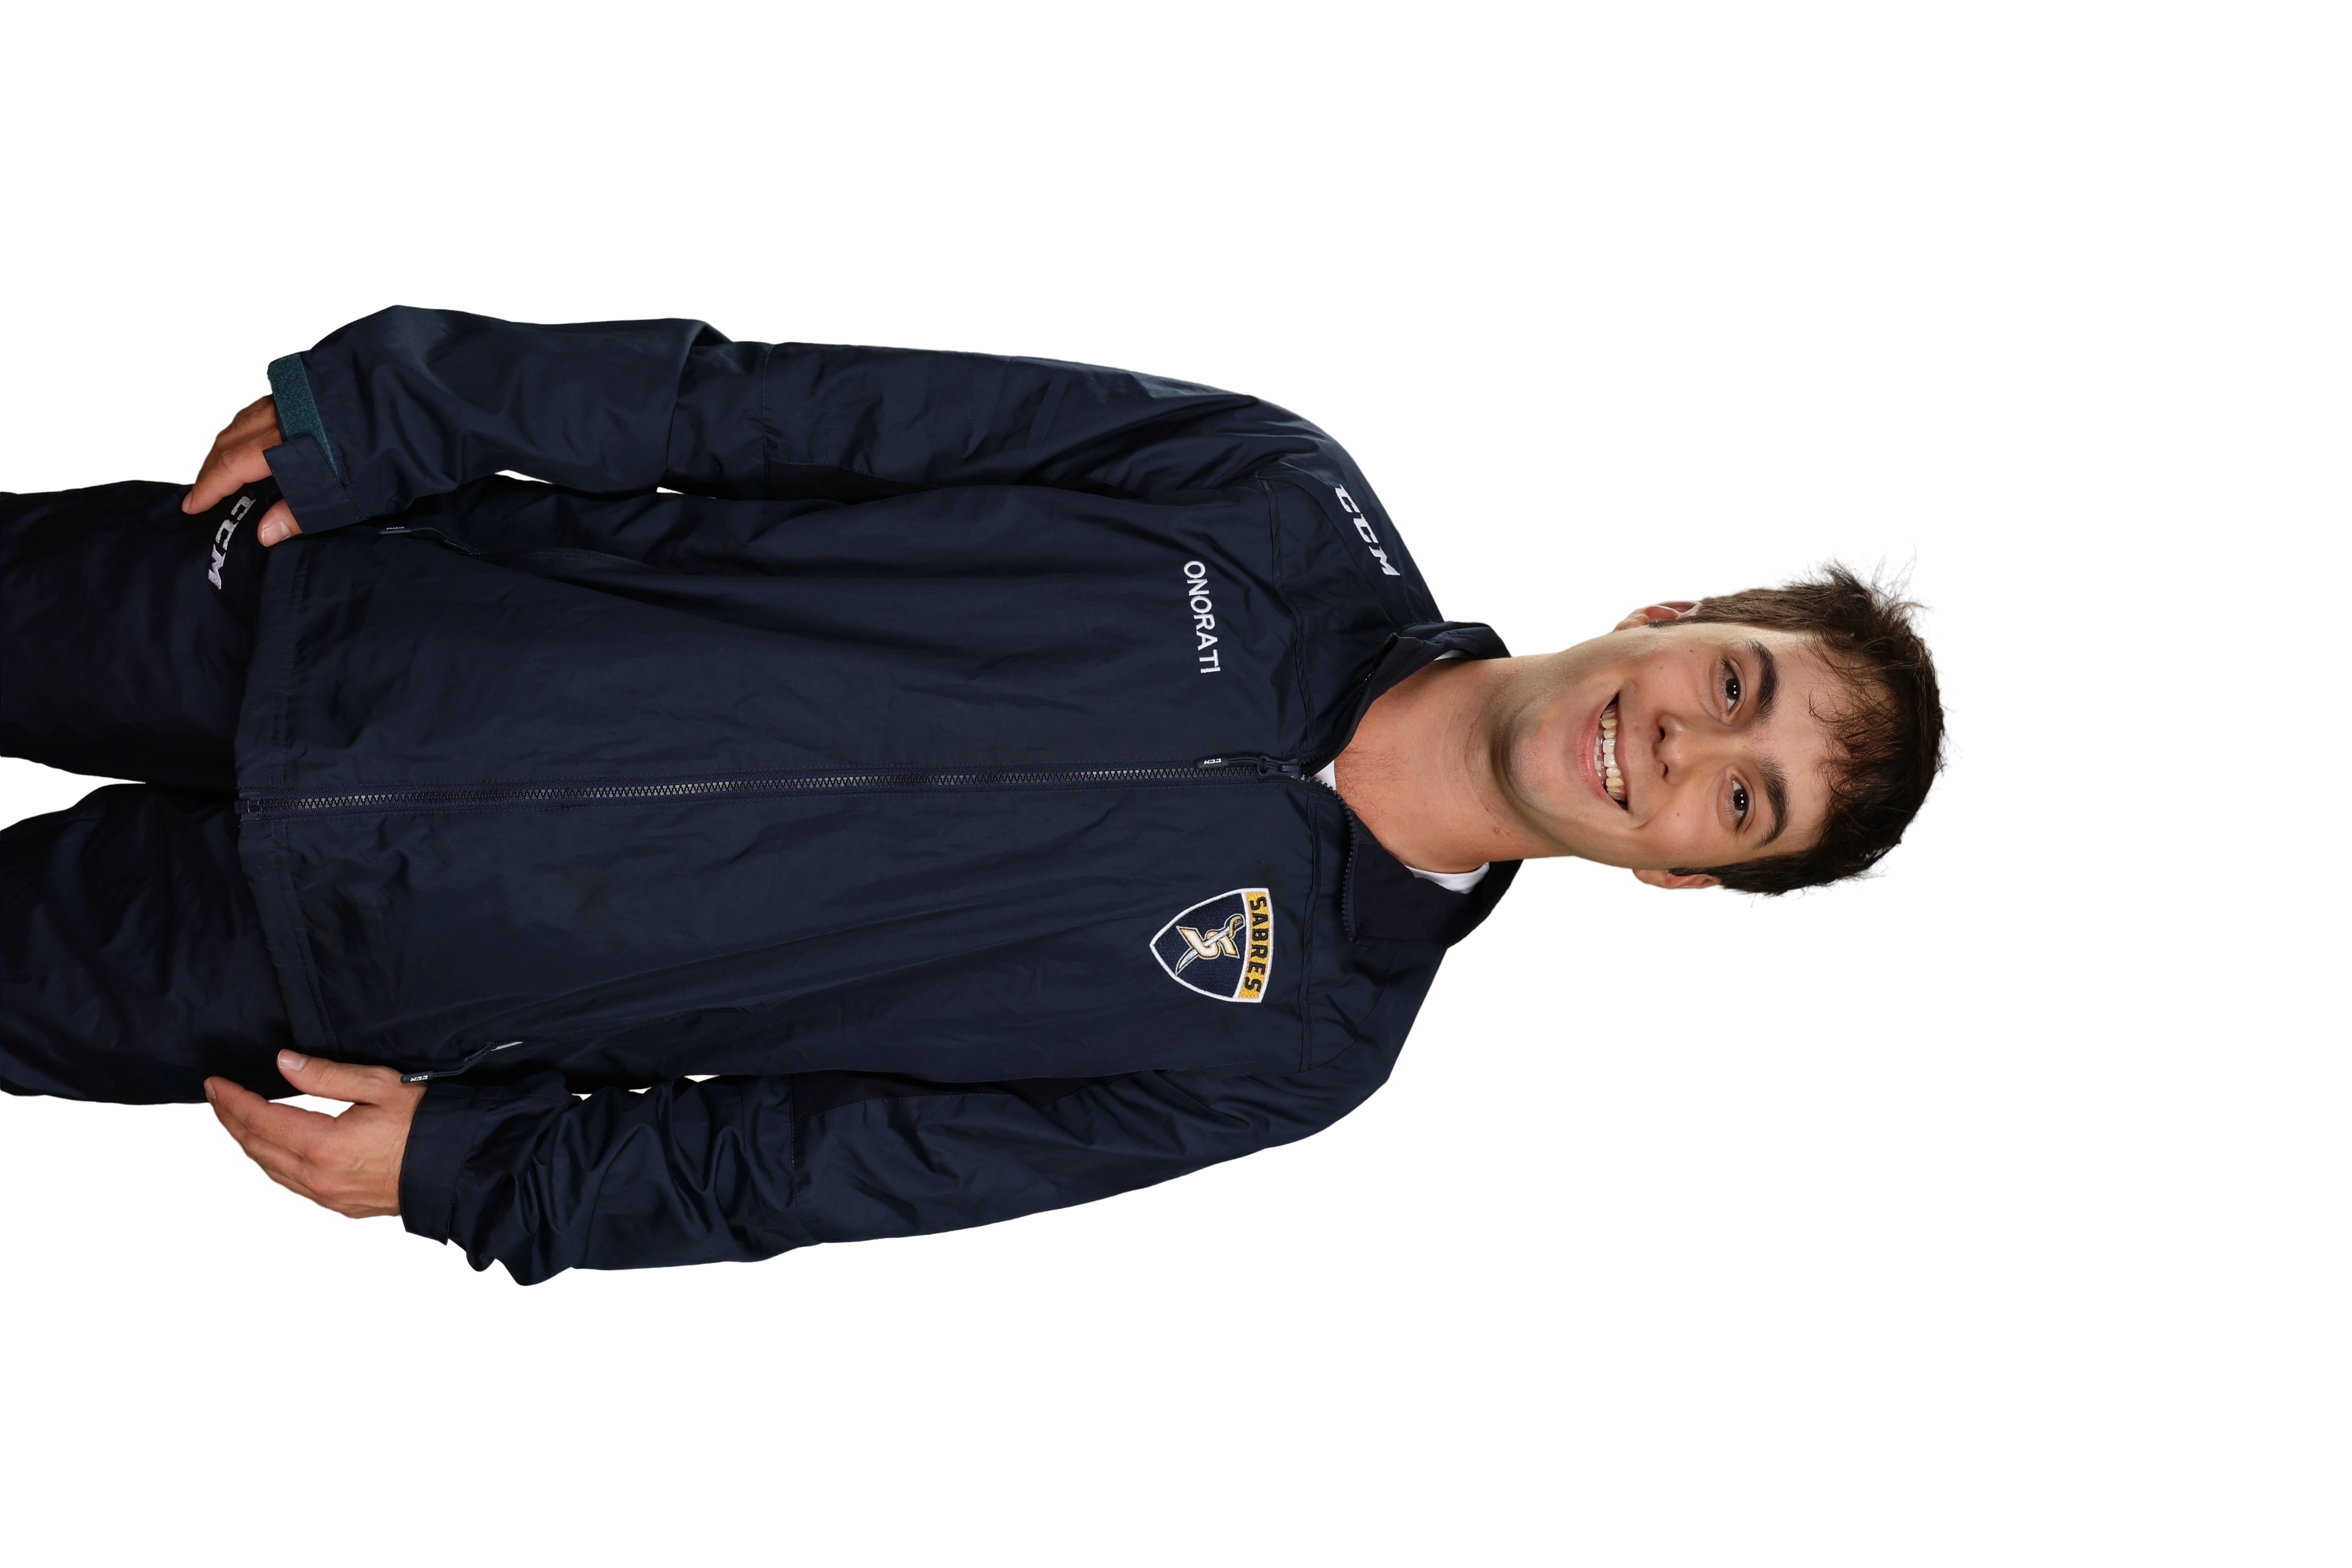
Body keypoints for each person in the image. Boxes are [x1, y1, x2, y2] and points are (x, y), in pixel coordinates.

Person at [1, 306, 1958, 1284]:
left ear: (1682, 882)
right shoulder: (1269, 495)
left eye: (1744, 807)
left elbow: (826, 1166)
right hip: (351, 605)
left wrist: (477, 1176)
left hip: (346, 976)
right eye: (1736, 687)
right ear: (1675, 615)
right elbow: (769, 415)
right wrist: (410, 408)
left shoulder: (1301, 1048)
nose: (1685, 749)